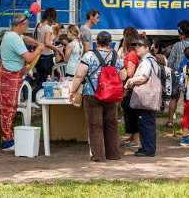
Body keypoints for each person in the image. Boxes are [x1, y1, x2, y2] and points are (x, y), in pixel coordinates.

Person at [68, 31, 127, 162]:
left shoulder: (89, 55)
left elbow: (79, 75)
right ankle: (113, 154)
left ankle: (99, 156)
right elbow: (123, 76)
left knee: (95, 125)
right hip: (111, 95)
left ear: (96, 41)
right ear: (110, 43)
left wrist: (72, 90)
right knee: (111, 124)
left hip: (92, 94)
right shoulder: (116, 56)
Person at [0, 13, 44, 151]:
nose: (27, 28)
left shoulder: (10, 34)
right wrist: (39, 49)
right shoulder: (15, 39)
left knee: (8, 107)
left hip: (7, 75)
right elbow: (28, 57)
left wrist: (35, 42)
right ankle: (7, 143)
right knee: (8, 108)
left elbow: (25, 39)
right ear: (21, 25)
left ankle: (8, 138)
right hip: (9, 76)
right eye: (27, 25)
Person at [125, 37, 160, 157]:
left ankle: (148, 149)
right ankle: (146, 147)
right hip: (149, 97)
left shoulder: (146, 61)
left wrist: (131, 80)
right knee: (146, 122)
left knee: (145, 123)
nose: (136, 48)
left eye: (139, 46)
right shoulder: (151, 59)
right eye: (135, 46)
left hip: (146, 97)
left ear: (146, 47)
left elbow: (142, 78)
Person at [165, 20, 189, 127]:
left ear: (181, 34)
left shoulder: (176, 45)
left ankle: (170, 120)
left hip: (177, 76)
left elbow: (171, 61)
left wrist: (172, 71)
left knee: (174, 98)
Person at [32, 7, 64, 101]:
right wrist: (58, 50)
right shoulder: (48, 28)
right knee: (46, 82)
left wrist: (55, 47)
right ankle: (35, 99)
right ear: (51, 17)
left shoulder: (38, 26)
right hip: (46, 57)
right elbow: (47, 43)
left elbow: (37, 40)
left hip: (38, 56)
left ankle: (34, 99)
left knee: (40, 80)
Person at [118, 27, 141, 148]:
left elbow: (130, 73)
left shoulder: (132, 55)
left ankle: (135, 139)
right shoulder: (137, 53)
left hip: (130, 85)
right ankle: (133, 136)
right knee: (130, 111)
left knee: (130, 111)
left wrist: (121, 69)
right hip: (135, 86)